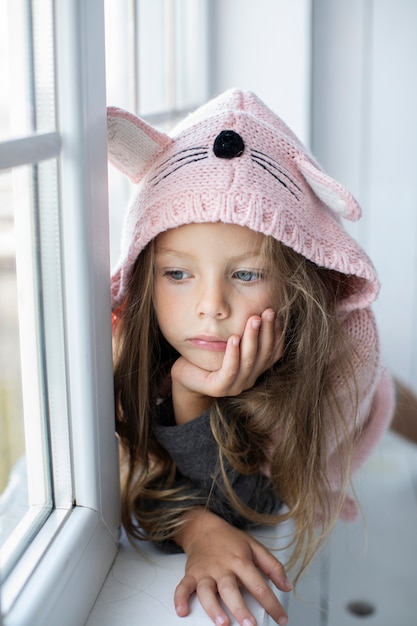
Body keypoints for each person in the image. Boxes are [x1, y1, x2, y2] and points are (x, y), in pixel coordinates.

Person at [108, 90, 395, 626]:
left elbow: (261, 499)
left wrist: (193, 397)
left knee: (391, 400)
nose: (210, 308)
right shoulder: (136, 344)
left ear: (292, 285)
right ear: (146, 274)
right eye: (177, 273)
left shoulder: (339, 366)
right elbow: (139, 471)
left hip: (367, 399)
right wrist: (195, 526)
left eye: (245, 274)